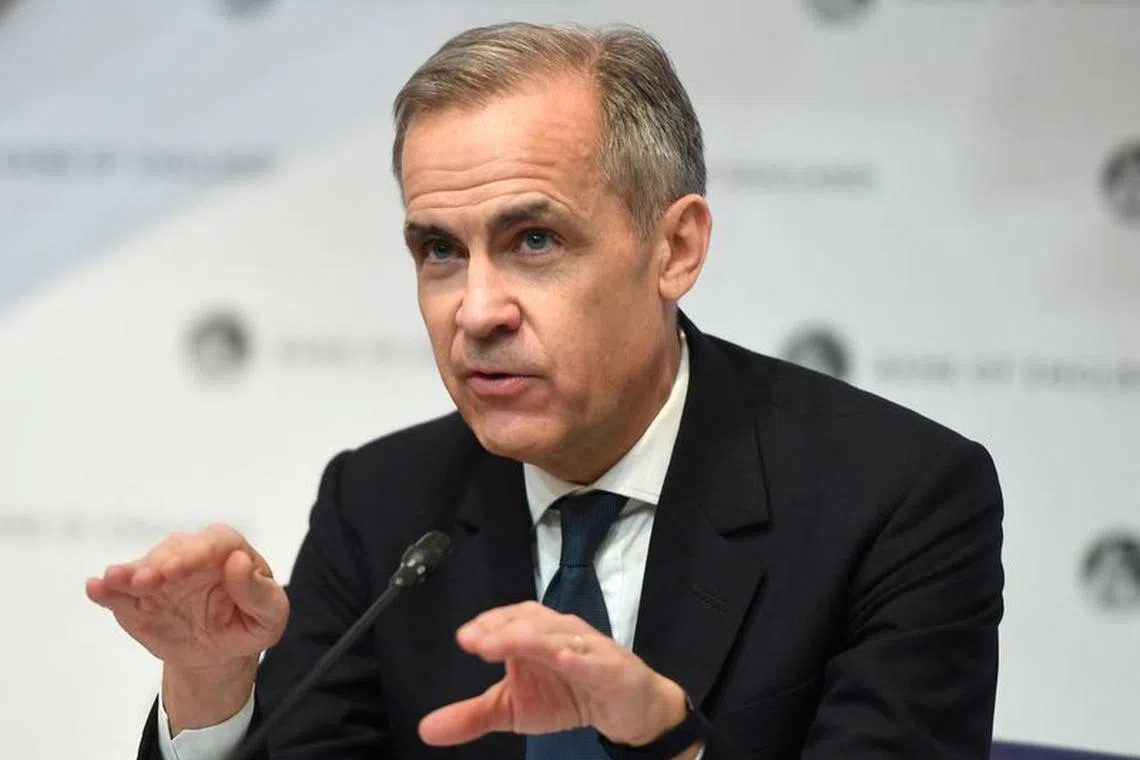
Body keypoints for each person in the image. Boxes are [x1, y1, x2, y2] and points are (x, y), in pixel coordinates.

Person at [86, 22, 1005, 760]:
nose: (476, 311)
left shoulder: (898, 500)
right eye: (440, 249)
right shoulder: (379, 505)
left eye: (534, 241)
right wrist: (212, 685)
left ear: (675, 249)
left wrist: (666, 742)